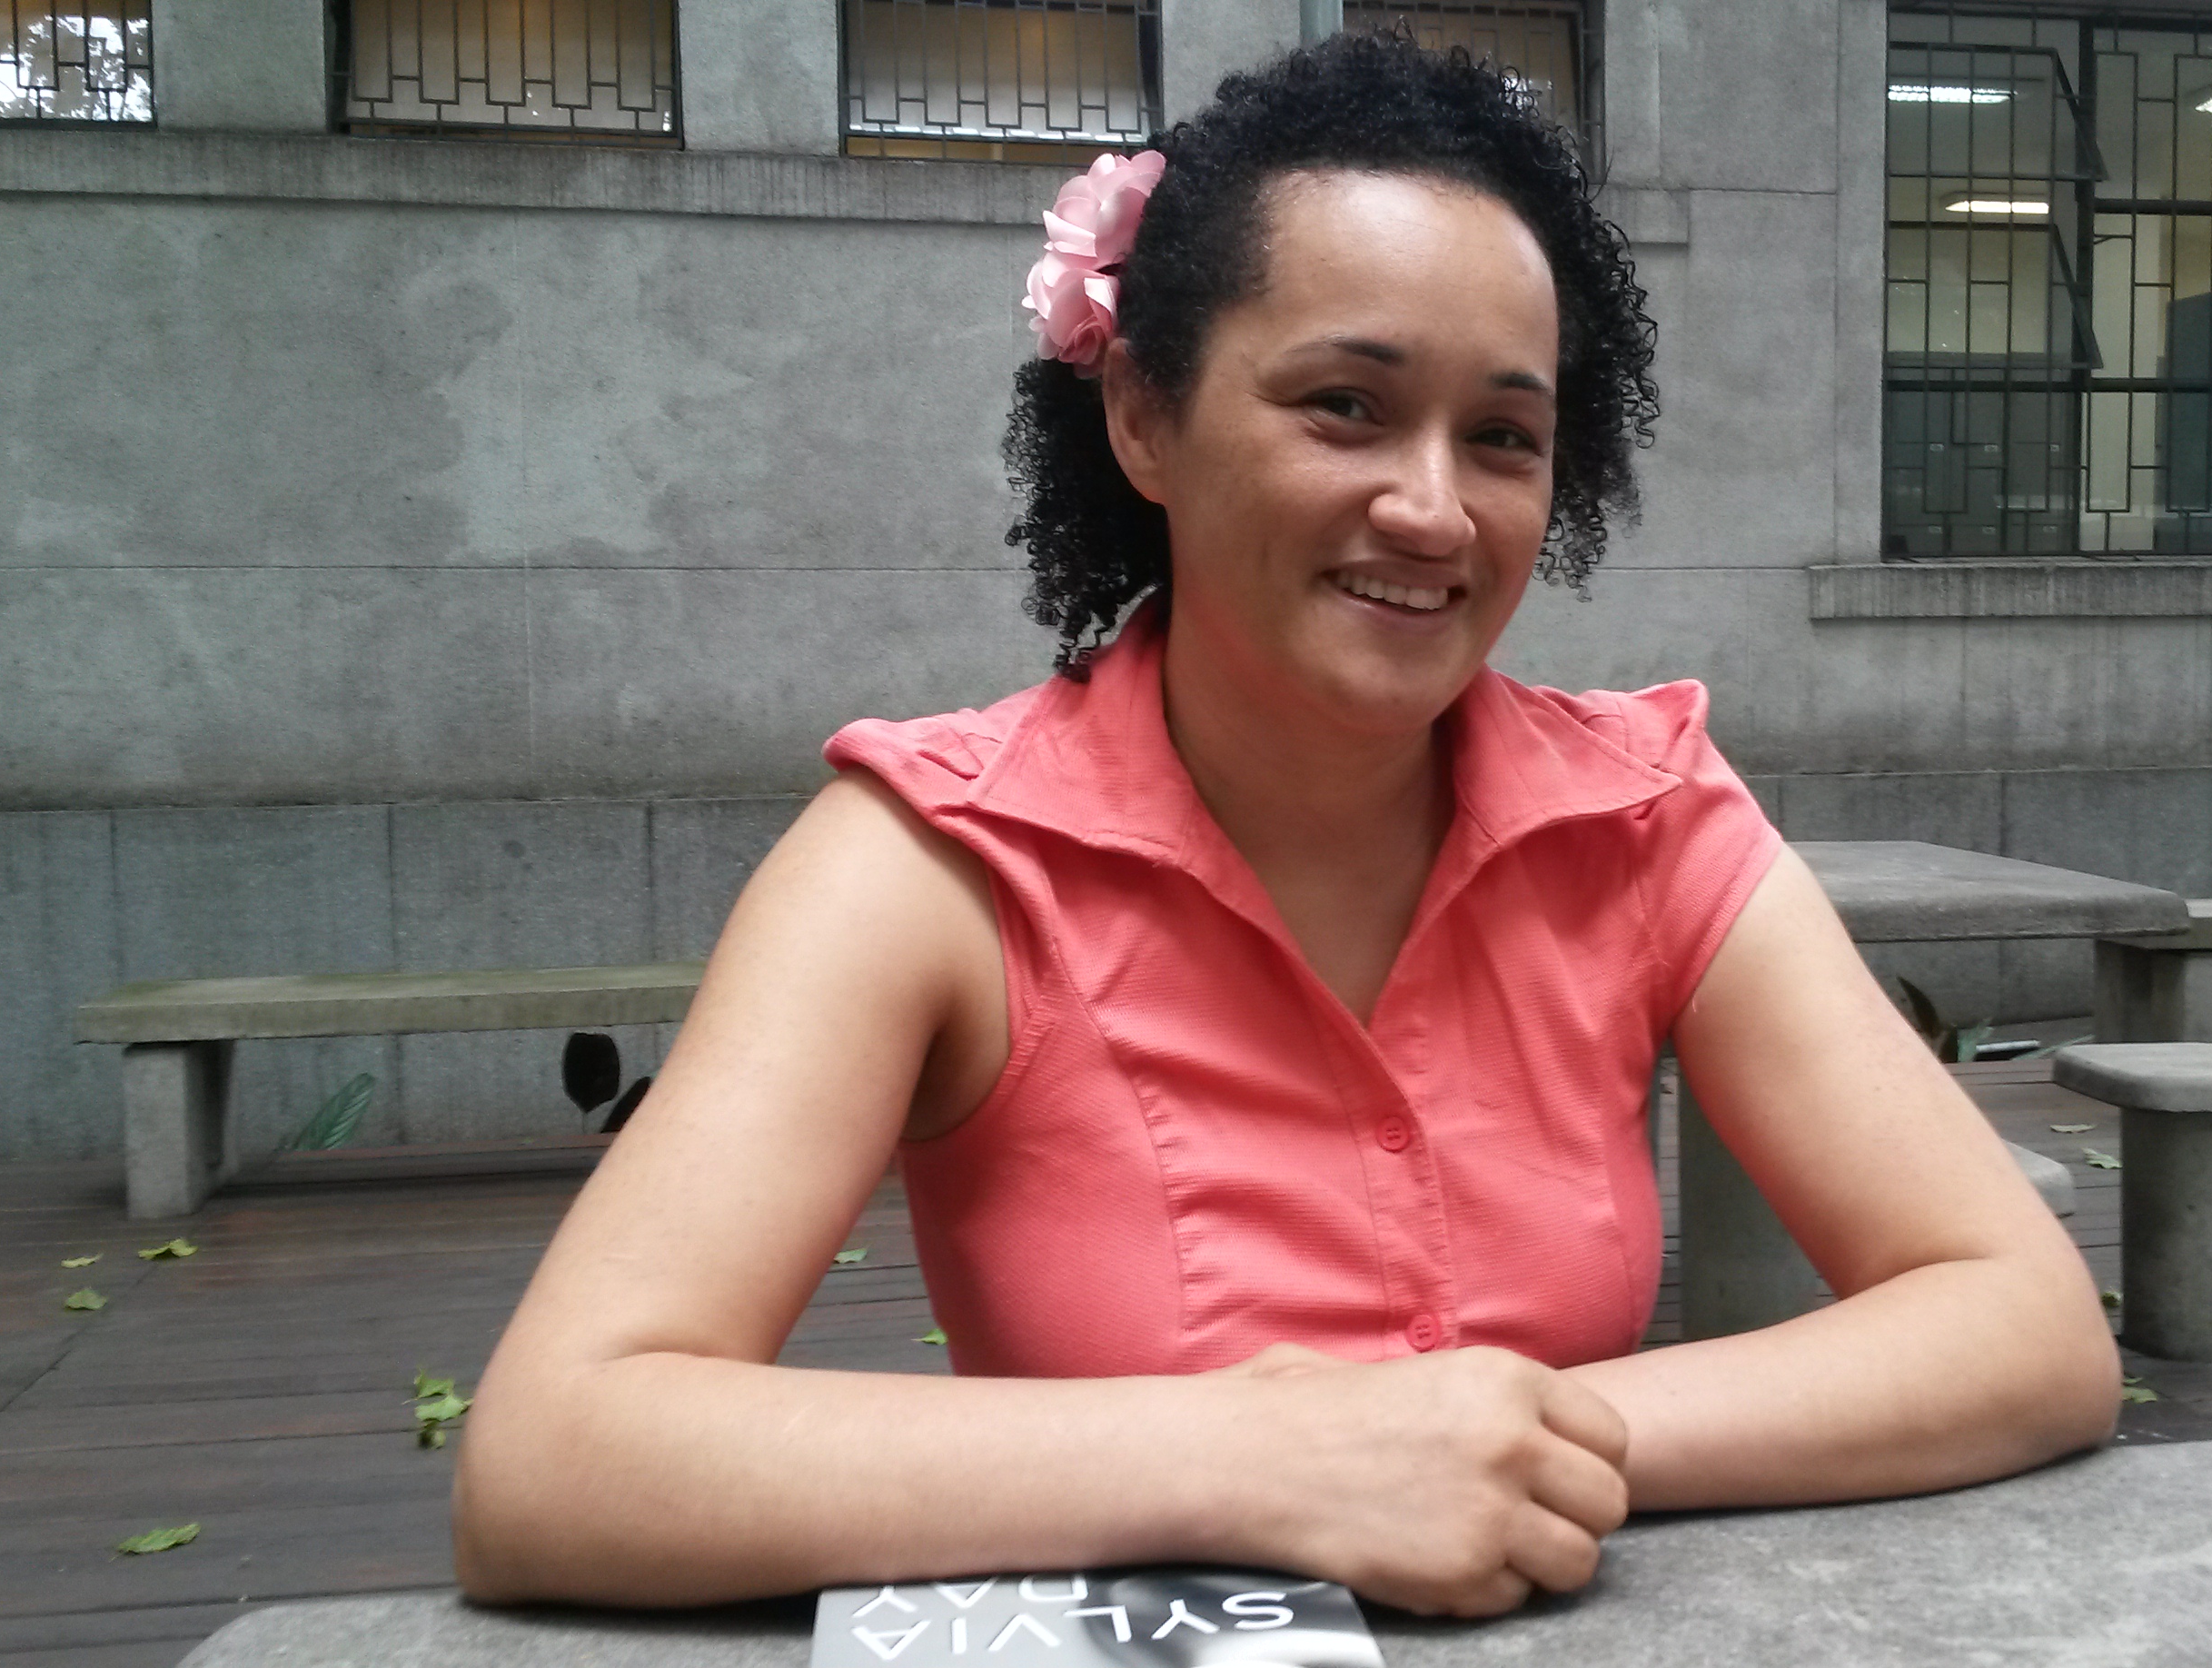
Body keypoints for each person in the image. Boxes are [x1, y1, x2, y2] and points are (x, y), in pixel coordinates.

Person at [451, 34, 2117, 1617]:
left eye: (1503, 436)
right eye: (1343, 406)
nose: (1432, 508)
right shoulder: (929, 865)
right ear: (1143, 418)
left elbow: (2024, 1328)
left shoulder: (1649, 817)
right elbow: (557, 1457)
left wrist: (1511, 1443)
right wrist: (1258, 1461)